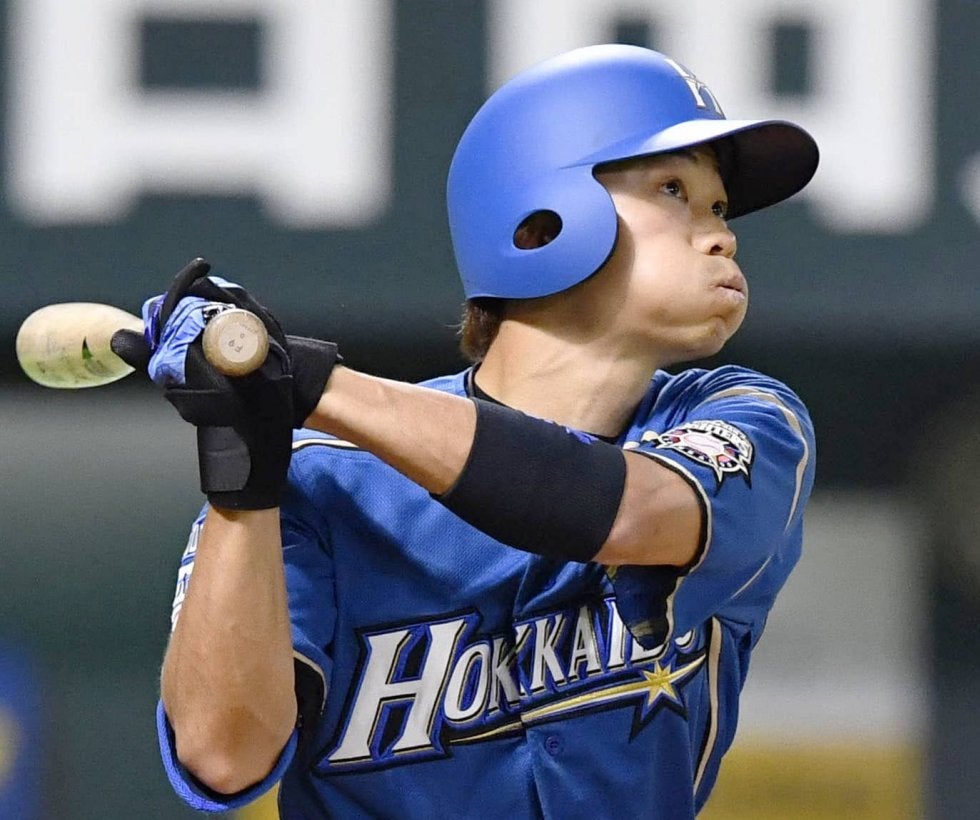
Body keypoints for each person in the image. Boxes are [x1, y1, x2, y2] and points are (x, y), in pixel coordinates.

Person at [115, 44, 819, 818]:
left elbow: (625, 513)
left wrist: (315, 386)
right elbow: (223, 757)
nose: (720, 236)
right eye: (673, 190)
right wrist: (242, 471)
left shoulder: (746, 419)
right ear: (537, 224)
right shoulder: (327, 478)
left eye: (718, 208)